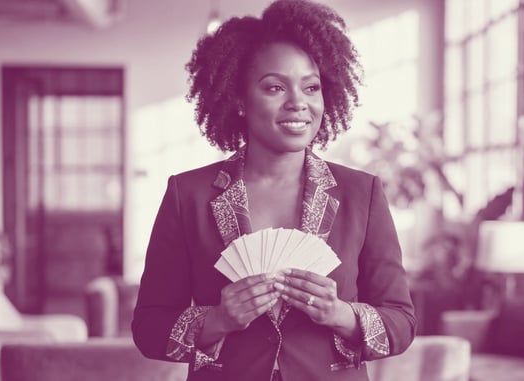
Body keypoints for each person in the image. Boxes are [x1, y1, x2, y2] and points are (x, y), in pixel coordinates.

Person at [131, 1, 416, 380]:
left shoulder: (361, 193)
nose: (298, 103)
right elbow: (148, 329)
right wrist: (218, 320)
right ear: (239, 100)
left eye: (311, 87)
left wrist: (341, 314)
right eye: (275, 87)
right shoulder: (188, 194)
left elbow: (402, 322)